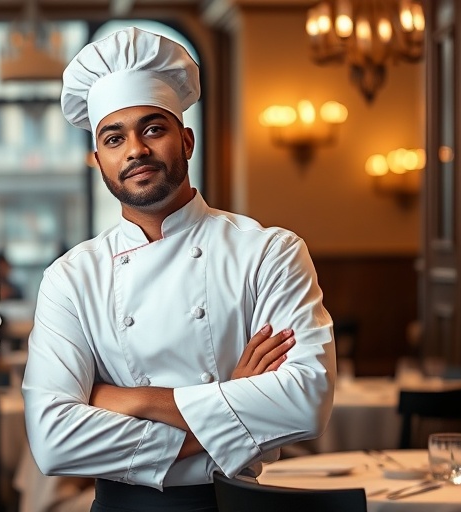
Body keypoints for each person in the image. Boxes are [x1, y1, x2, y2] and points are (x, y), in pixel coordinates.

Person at [21, 27, 335, 512]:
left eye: (153, 129)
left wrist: (135, 399)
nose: (136, 150)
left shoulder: (269, 252)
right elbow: (53, 440)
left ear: (186, 140)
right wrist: (235, 401)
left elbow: (306, 401)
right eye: (114, 138)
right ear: (98, 160)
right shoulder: (71, 277)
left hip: (232, 505)